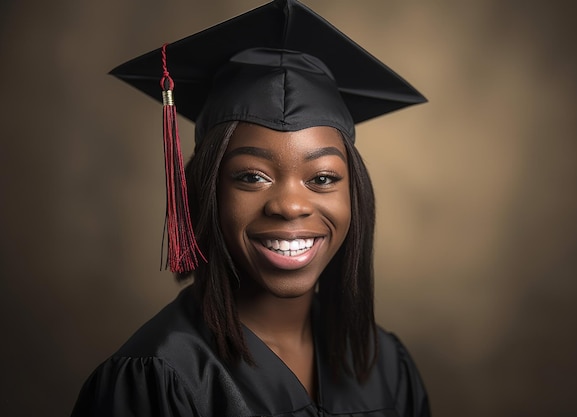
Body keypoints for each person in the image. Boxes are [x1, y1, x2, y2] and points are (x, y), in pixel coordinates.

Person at [71, 0, 431, 416]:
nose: (290, 205)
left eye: (323, 178)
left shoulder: (386, 365)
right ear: (208, 191)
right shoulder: (157, 377)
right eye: (251, 176)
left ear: (355, 195)